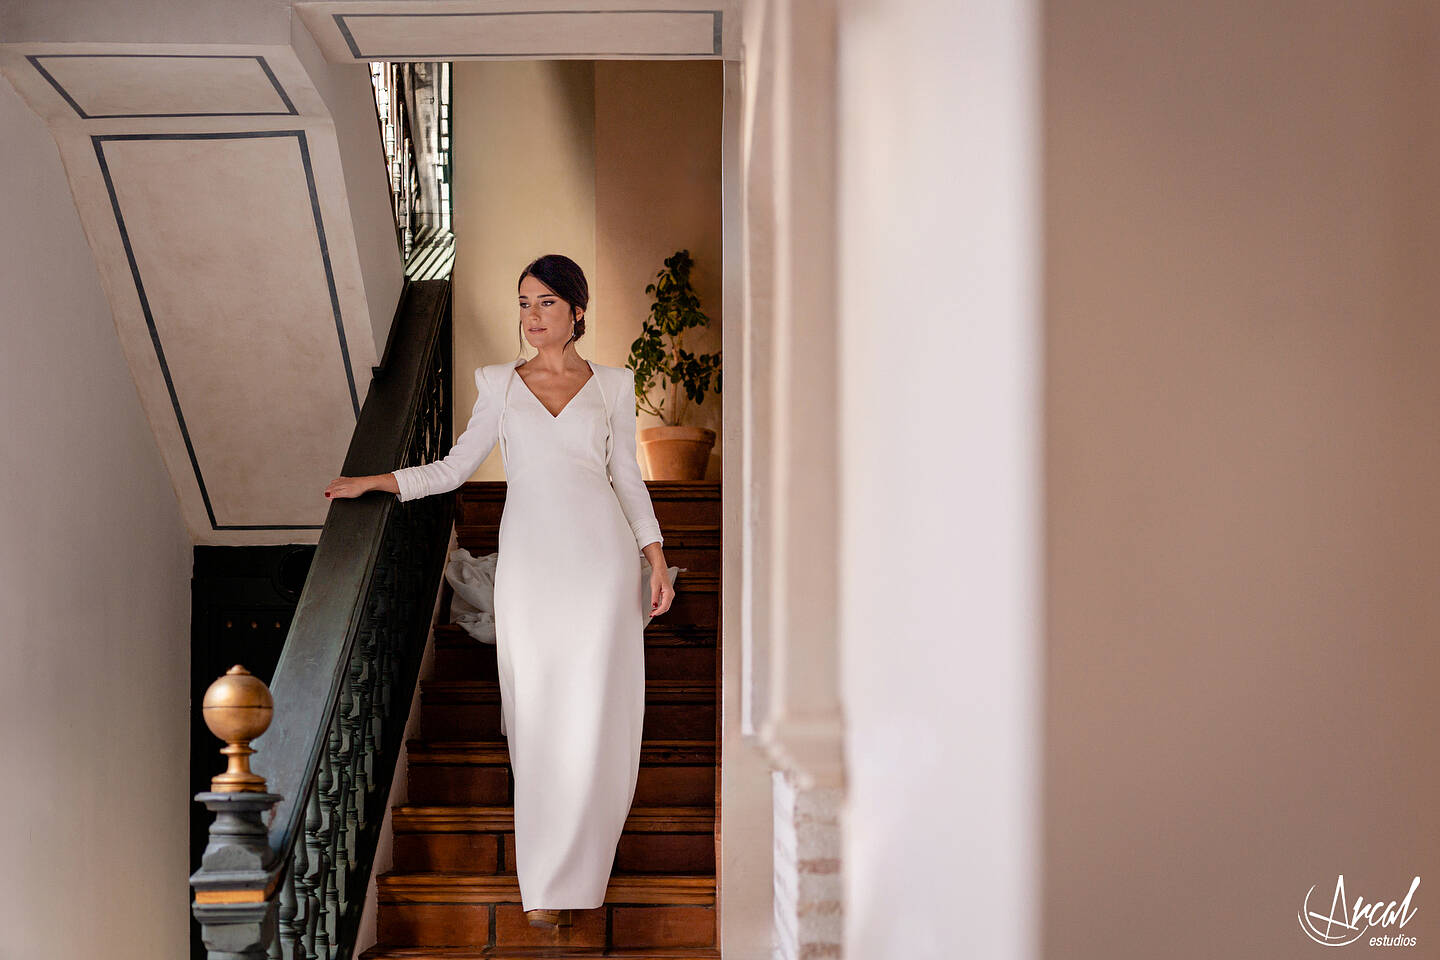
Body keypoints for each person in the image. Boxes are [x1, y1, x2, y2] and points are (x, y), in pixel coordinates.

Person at [323, 253, 676, 928]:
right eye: (523, 303)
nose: (531, 317)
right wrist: (379, 482)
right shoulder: (498, 385)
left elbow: (628, 480)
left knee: (595, 717)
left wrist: (654, 559)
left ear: (577, 309)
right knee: (537, 714)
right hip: (532, 564)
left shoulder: (613, 386)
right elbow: (455, 469)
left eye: (545, 303)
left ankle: (583, 873)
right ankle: (544, 882)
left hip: (601, 562)